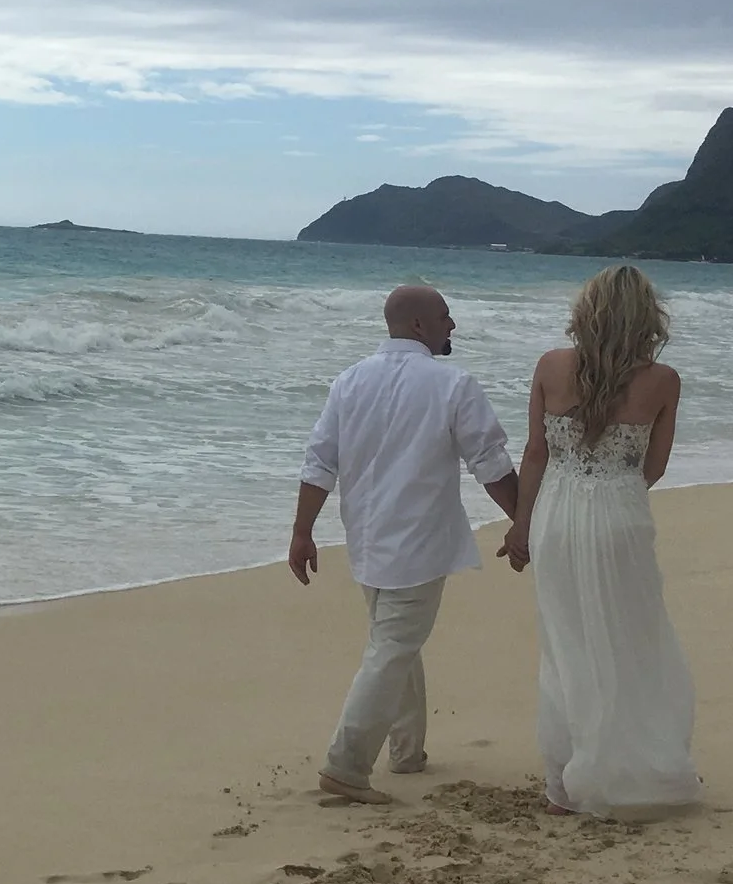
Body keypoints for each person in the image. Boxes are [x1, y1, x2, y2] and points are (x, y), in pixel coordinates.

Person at [290, 285, 521, 805]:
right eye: (445, 317)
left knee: (395, 642)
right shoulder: (453, 383)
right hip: (417, 541)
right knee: (392, 648)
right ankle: (346, 765)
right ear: (419, 327)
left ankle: (407, 751)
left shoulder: (349, 381)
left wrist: (302, 531)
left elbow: (319, 463)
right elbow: (491, 464)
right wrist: (526, 520)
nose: (452, 325)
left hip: (366, 537)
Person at [500, 265, 701, 819]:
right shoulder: (663, 381)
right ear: (647, 319)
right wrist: (611, 487)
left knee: (566, 644)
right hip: (622, 515)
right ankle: (633, 766)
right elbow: (653, 468)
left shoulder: (550, 366)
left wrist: (521, 525)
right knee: (632, 640)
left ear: (584, 313)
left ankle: (564, 785)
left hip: (557, 515)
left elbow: (536, 455)